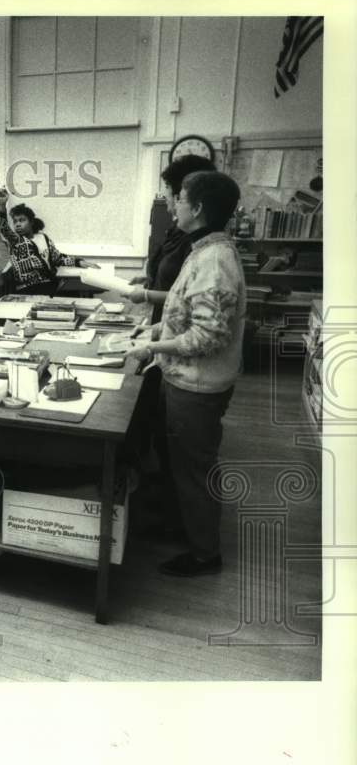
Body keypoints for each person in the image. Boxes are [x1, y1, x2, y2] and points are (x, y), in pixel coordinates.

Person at [125, 170, 246, 578]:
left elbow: (208, 337)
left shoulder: (214, 260)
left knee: (194, 469)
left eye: (179, 198)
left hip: (198, 384)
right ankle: (185, 529)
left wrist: (152, 347)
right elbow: (185, 313)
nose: (173, 204)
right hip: (183, 377)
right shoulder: (204, 249)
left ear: (196, 208)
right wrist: (155, 328)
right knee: (182, 463)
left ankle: (204, 554)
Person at [124, 154, 218, 322]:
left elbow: (190, 299)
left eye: (167, 187)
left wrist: (146, 295)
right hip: (165, 323)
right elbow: (173, 274)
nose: (165, 195)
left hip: (180, 329)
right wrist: (152, 278)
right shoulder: (178, 229)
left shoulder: (201, 244)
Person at [0, 188, 98, 295]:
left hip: (48, 285)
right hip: (27, 289)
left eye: (22, 220)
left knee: (75, 292)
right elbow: (3, 228)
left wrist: (79, 262)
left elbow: (58, 258)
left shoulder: (43, 238)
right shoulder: (16, 241)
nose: (17, 224)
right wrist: (2, 205)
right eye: (15, 221)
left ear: (31, 222)